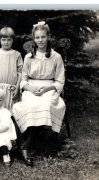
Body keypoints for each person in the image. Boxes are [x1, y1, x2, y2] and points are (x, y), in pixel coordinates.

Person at [12, 21, 66, 166]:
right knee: (31, 105)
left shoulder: (56, 57)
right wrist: (30, 88)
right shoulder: (29, 57)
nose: (40, 40)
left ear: (48, 37)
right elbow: (23, 80)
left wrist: (47, 89)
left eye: (43, 37)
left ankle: (24, 146)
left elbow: (60, 81)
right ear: (33, 39)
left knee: (46, 105)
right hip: (32, 88)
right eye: (37, 37)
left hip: (50, 89)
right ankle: (25, 144)